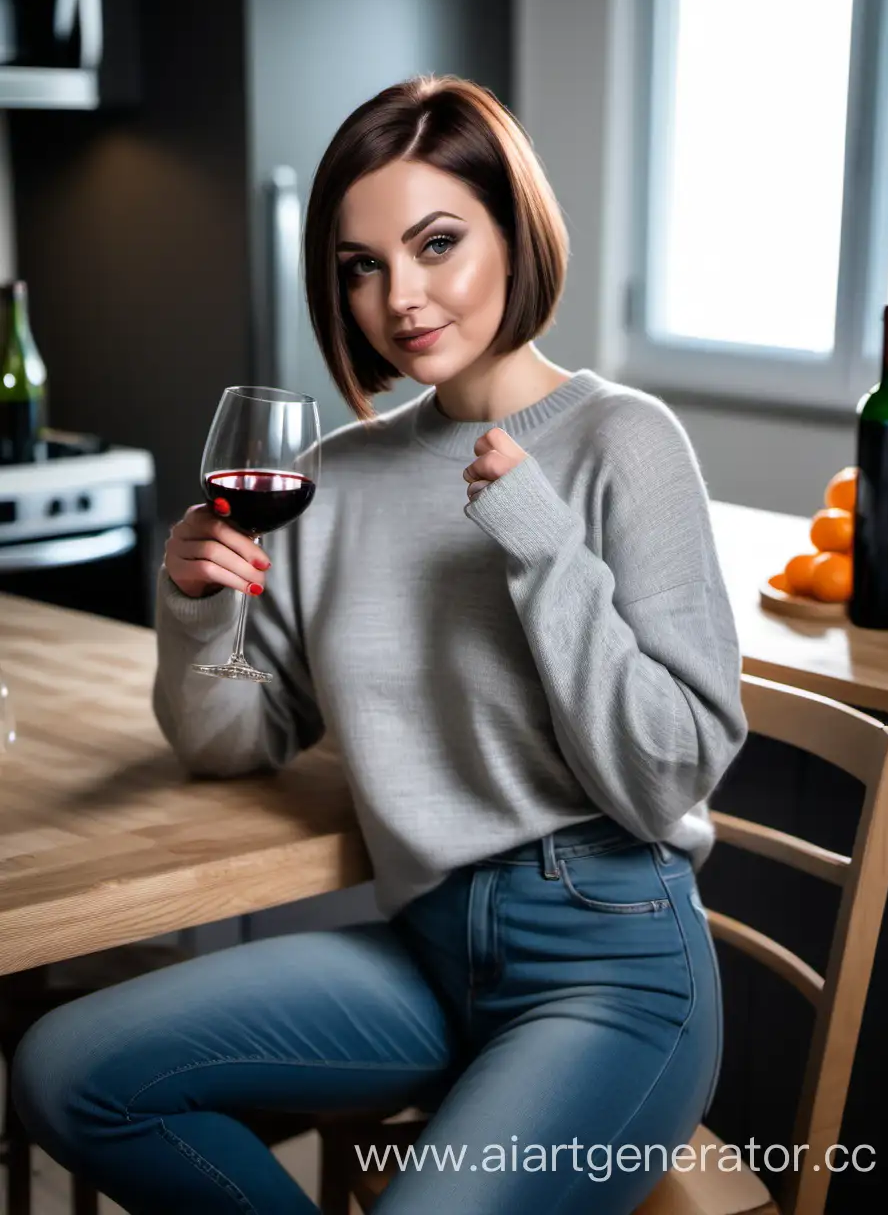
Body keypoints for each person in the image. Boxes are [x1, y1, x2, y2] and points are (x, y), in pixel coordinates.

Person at [12, 74, 748, 1214]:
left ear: (515, 231)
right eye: (362, 265)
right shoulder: (338, 478)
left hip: (611, 965)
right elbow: (233, 743)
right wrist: (201, 604)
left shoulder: (622, 441)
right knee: (67, 1070)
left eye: (437, 242)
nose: (399, 297)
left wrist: (543, 543)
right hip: (424, 946)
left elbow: (667, 771)